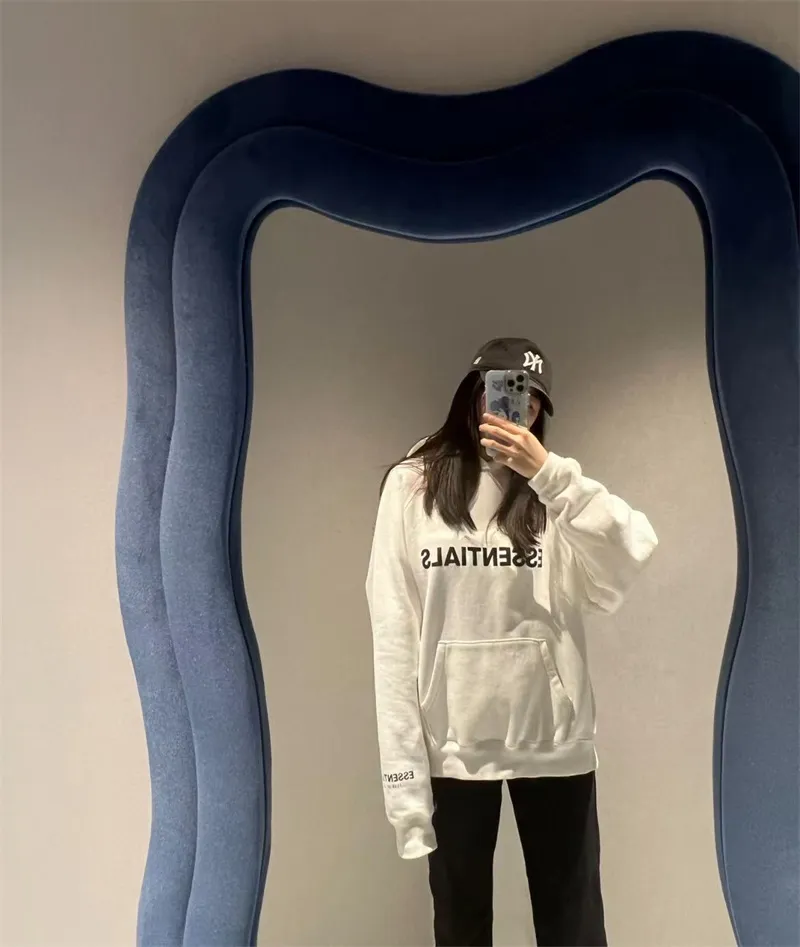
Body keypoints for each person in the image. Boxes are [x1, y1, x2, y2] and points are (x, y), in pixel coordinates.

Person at [365, 337, 659, 947]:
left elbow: (631, 553)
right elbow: (393, 632)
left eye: (528, 398)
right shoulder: (411, 487)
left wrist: (548, 474)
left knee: (574, 928)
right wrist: (404, 782)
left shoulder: (555, 493)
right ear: (472, 395)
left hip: (553, 742)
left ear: (540, 408)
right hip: (453, 745)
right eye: (500, 390)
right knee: (461, 928)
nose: (513, 408)